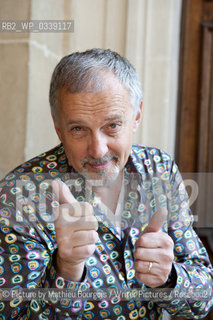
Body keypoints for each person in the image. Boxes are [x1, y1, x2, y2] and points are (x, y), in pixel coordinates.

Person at [0, 48, 212, 320]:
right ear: (58, 126)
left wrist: (169, 279)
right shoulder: (20, 195)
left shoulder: (160, 168)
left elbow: (203, 298)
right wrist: (67, 270)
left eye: (112, 125)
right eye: (78, 129)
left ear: (136, 116)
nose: (98, 150)